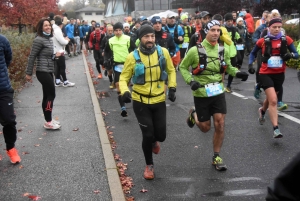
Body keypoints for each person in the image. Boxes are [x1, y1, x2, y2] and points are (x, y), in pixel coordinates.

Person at [180, 20, 249, 171]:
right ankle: (194, 115)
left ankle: (216, 156)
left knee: (220, 124)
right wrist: (190, 81)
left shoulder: (222, 49)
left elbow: (228, 67)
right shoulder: (195, 50)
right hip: (201, 92)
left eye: (218, 30)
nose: (216, 33)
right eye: (213, 30)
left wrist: (238, 73)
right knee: (205, 128)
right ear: (206, 31)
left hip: (217, 91)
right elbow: (183, 67)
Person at [119, 25, 176, 180]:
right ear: (140, 39)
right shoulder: (133, 56)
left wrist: (172, 88)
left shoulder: (162, 52)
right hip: (140, 100)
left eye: (152, 36)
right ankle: (149, 165)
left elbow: (171, 71)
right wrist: (124, 91)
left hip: (159, 99)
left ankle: (154, 141)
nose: (150, 39)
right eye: (146, 37)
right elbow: (123, 78)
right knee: (147, 133)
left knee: (161, 136)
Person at [248, 18, 299, 138]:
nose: (276, 29)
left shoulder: (286, 40)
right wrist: (250, 64)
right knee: (274, 100)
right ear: (269, 28)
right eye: (274, 27)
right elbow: (252, 53)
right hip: (265, 73)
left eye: (279, 27)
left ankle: (262, 111)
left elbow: (297, 54)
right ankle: (276, 129)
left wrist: (290, 55)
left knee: (271, 98)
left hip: (279, 74)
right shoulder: (263, 41)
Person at [26, 18, 61, 130]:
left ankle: (48, 120)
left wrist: (55, 56)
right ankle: (49, 121)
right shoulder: (39, 40)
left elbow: (47, 56)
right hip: (42, 71)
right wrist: (28, 73)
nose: (48, 27)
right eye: (45, 25)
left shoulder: (48, 39)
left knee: (47, 96)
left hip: (49, 70)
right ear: (41, 27)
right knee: (51, 95)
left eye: (49, 25)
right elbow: (32, 56)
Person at [104, 22, 136, 117]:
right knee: (118, 86)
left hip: (127, 65)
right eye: (116, 30)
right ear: (113, 31)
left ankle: (126, 97)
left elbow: (135, 49)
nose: (118, 32)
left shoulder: (128, 39)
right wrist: (106, 59)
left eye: (119, 30)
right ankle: (123, 108)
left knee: (125, 85)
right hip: (117, 65)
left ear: (122, 30)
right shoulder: (110, 40)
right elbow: (106, 51)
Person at [0, 34, 21, 164]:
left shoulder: (2, 40)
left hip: (3, 88)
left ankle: (11, 148)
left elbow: (8, 58)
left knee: (9, 120)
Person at [52, 16, 75, 87]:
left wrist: (63, 38)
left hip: (55, 50)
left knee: (58, 67)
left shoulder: (53, 29)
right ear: (60, 24)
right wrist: (67, 40)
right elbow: (63, 42)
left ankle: (58, 81)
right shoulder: (58, 30)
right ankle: (65, 81)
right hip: (59, 51)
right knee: (62, 67)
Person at [223, 13, 243, 93]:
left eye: (231, 21)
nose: (230, 22)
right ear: (225, 21)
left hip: (232, 52)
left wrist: (240, 40)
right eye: (228, 21)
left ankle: (228, 86)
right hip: (224, 52)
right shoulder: (222, 29)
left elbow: (237, 37)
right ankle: (221, 85)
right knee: (222, 70)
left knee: (232, 69)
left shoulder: (234, 29)